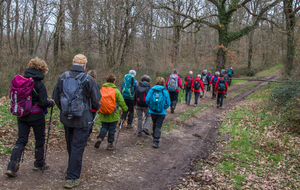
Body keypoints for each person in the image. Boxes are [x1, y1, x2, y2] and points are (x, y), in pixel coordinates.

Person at [52, 54, 101, 189]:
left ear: (73, 63)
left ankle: (72, 168)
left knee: (70, 145)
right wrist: (94, 110)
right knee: (78, 147)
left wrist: (64, 110)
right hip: (83, 119)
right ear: (85, 65)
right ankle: (72, 177)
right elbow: (96, 101)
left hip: (66, 118)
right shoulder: (88, 79)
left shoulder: (63, 77)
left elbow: (55, 96)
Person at [6, 57, 54, 177]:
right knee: (39, 139)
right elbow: (43, 103)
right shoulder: (39, 84)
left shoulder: (20, 81)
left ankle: (11, 167)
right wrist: (51, 103)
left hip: (22, 114)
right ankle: (39, 163)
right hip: (37, 115)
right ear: (42, 69)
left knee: (21, 139)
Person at [94, 74, 128, 150]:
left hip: (103, 113)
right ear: (114, 82)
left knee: (104, 127)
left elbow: (97, 100)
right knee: (112, 129)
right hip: (113, 114)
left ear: (106, 81)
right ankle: (110, 144)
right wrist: (125, 109)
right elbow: (121, 101)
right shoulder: (116, 91)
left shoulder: (101, 90)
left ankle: (100, 138)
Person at [145, 77, 171, 148]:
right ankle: (156, 141)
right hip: (161, 112)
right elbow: (168, 102)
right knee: (158, 125)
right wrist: (164, 107)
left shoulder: (152, 90)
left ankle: (154, 137)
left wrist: (150, 106)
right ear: (163, 82)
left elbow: (147, 99)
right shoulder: (164, 91)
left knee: (154, 123)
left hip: (153, 111)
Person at [87, 70, 99, 142]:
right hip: (92, 107)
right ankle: (87, 135)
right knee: (91, 121)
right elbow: (97, 97)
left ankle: (85, 136)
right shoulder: (95, 85)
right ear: (94, 77)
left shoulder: (82, 82)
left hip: (84, 106)